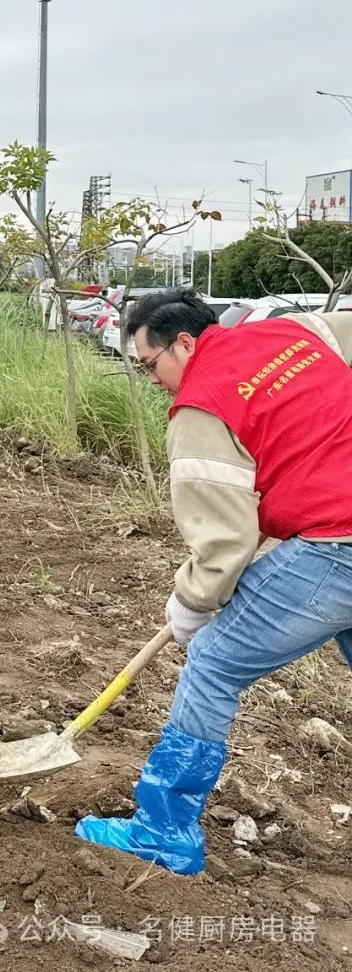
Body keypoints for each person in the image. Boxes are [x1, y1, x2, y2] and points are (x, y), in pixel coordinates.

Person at [76, 288, 352, 875]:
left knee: (213, 662)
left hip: (338, 544)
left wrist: (191, 604)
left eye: (151, 364)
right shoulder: (293, 332)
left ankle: (164, 830)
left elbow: (225, 543)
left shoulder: (201, 408)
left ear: (184, 342)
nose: (152, 380)